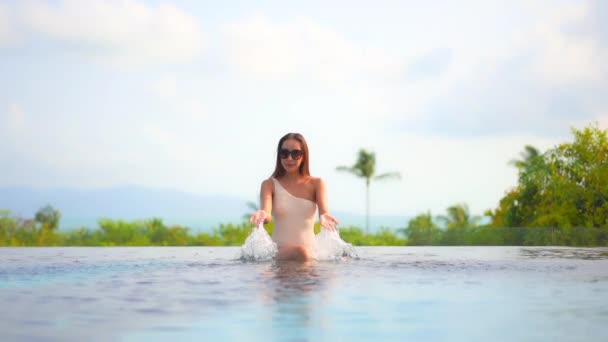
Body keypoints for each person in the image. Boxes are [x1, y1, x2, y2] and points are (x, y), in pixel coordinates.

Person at [249, 132, 339, 261]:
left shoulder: (316, 184)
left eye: (295, 153)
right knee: (300, 252)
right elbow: (267, 213)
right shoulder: (269, 184)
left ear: (304, 155)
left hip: (310, 257)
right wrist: (262, 214)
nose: (289, 158)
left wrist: (324, 216)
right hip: (279, 255)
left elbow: (324, 213)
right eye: (284, 153)